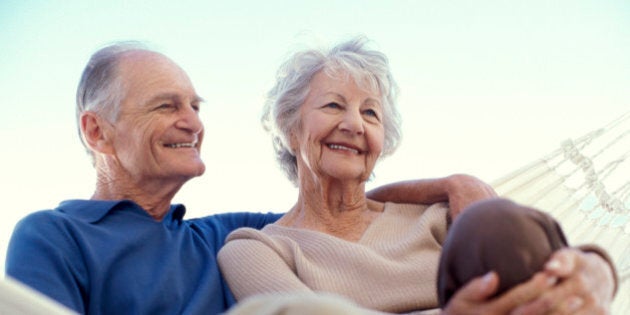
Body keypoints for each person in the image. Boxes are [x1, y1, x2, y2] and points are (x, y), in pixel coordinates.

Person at [4, 41, 497, 315]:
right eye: (166, 106)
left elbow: (339, 205)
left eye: (195, 106)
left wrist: (458, 185)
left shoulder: (218, 236)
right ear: (98, 132)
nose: (193, 122)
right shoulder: (56, 236)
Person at [217, 36, 617, 314]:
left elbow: (543, 258)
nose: (355, 124)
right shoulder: (256, 250)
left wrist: (597, 269)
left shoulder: (436, 217)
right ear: (290, 130)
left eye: (370, 113)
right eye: (334, 106)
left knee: (495, 221)